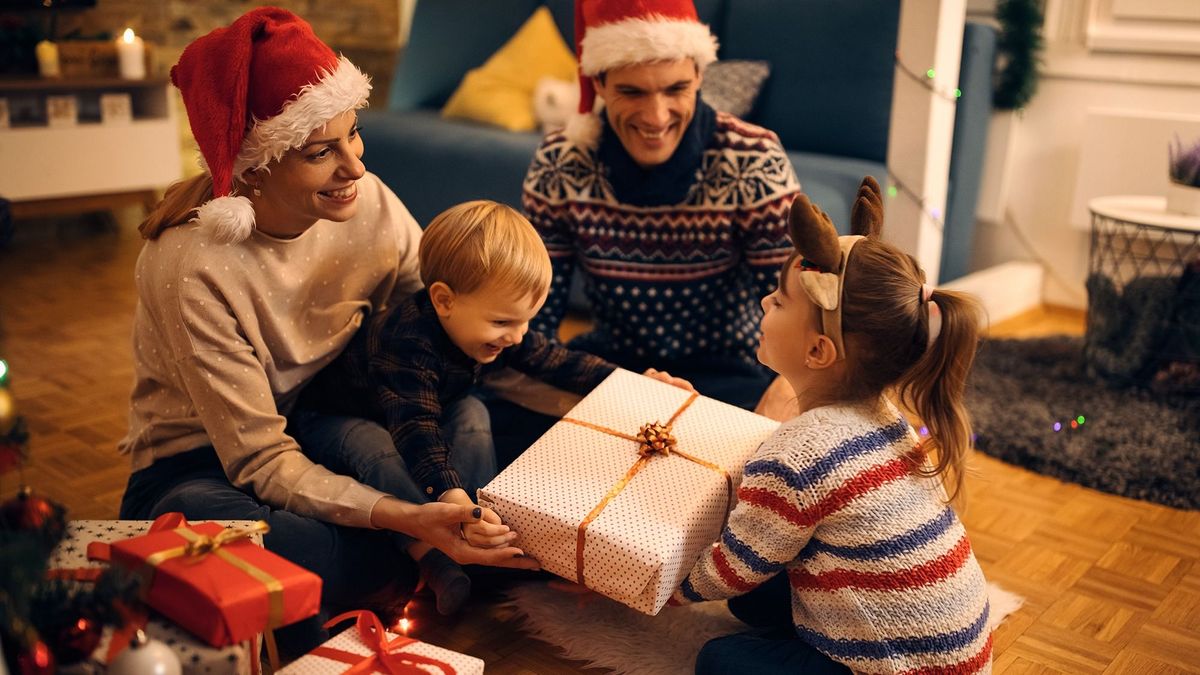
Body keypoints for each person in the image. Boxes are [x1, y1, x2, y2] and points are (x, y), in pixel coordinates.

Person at [116, 7, 537, 655]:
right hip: (206, 467)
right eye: (321, 152)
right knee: (288, 545)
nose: (357, 168)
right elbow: (259, 458)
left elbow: (439, 334)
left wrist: (605, 397)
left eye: (355, 135)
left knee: (471, 407)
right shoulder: (189, 262)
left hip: (332, 424)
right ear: (255, 166)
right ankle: (419, 561)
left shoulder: (367, 202)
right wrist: (409, 515)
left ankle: (409, 561)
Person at [305, 199, 695, 614]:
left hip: (430, 406)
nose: (516, 336)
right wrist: (448, 494)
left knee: (474, 410)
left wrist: (633, 382)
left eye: (526, 321)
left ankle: (485, 523)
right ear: (444, 301)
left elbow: (560, 363)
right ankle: (432, 554)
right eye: (503, 323)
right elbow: (416, 429)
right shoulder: (406, 341)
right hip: (336, 419)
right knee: (379, 449)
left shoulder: (499, 325)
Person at [671, 178, 993, 674]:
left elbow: (738, 564)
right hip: (957, 653)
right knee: (754, 603)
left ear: (818, 352)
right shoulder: (884, 414)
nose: (763, 304)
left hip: (896, 667)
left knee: (720, 661)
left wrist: (672, 587)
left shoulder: (797, 457)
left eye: (778, 302)